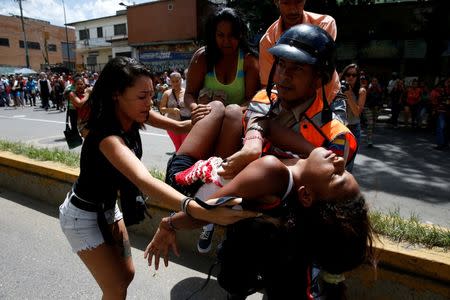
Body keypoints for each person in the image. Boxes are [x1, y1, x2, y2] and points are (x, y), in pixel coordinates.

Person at [58, 57, 257, 299]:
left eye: (151, 95)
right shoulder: (107, 138)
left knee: (127, 275)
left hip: (109, 209)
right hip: (82, 216)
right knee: (116, 287)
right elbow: (145, 181)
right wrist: (196, 209)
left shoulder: (134, 114)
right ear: (116, 95)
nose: (149, 103)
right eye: (142, 97)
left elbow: (166, 122)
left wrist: (192, 122)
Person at [146, 147, 374, 300]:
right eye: (344, 169)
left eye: (335, 174)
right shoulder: (301, 212)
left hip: (194, 188)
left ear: (306, 196)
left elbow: (207, 210)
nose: (340, 161)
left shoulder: (272, 172)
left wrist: (169, 224)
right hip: (256, 256)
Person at [258, 0, 346, 123]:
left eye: (298, 2)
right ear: (276, 2)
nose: (293, 9)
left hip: (328, 103)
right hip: (289, 110)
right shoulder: (267, 41)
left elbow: (315, 74)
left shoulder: (324, 24)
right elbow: (267, 85)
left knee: (338, 140)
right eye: (286, 3)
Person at [183, 7, 260, 125]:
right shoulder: (202, 57)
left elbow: (251, 100)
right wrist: (196, 109)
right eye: (220, 35)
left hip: (236, 123)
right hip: (206, 121)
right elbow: (189, 94)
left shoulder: (248, 61)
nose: (226, 41)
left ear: (240, 34)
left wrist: (230, 113)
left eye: (232, 35)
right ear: (213, 35)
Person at [340, 64, 367, 171]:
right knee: (337, 161)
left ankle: (346, 186)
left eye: (354, 75)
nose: (350, 77)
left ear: (357, 77)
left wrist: (349, 94)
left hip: (353, 129)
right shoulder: (338, 88)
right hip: (339, 129)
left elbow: (357, 113)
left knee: (348, 164)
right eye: (348, 74)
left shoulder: (361, 91)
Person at [158, 71, 190, 151]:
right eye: (173, 81)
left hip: (186, 123)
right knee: (178, 147)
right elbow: (161, 109)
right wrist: (171, 110)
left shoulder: (186, 92)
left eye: (177, 81)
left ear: (181, 80)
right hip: (172, 125)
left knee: (185, 147)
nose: (175, 83)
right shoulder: (167, 93)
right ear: (170, 81)